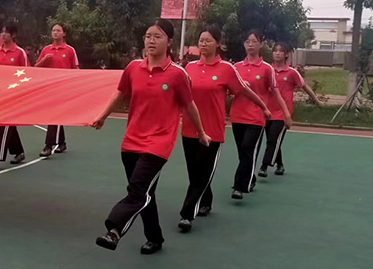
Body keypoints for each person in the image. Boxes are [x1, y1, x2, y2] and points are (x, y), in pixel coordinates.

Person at [91, 19, 211, 255]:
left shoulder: (177, 74)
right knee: (146, 193)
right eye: (147, 36)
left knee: (137, 190)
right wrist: (103, 116)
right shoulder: (133, 68)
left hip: (158, 143)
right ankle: (154, 238)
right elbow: (120, 93)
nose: (151, 40)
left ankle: (114, 231)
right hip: (131, 140)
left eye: (157, 36)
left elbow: (190, 107)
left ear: (169, 42)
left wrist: (201, 133)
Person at [178, 26, 271, 232]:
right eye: (201, 40)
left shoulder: (226, 70)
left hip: (213, 131)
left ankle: (187, 214)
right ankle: (206, 200)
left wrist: (263, 106)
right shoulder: (189, 68)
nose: (203, 44)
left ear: (217, 44)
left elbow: (244, 90)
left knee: (203, 172)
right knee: (195, 172)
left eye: (208, 40)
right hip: (189, 129)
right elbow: (179, 95)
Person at [228, 30, 291, 200]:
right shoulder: (236, 67)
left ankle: (239, 186)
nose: (250, 44)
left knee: (248, 148)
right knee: (243, 152)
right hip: (237, 115)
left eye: (254, 41)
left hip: (256, 117)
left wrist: (286, 114)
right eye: (248, 41)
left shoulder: (266, 69)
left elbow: (276, 93)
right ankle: (251, 177)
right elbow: (230, 90)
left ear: (261, 44)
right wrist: (238, 87)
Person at [258, 43, 322, 178]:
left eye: (281, 51)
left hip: (283, 114)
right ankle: (280, 164)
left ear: (286, 54)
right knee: (272, 140)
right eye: (275, 51)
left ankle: (264, 166)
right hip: (267, 112)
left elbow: (305, 87)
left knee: (273, 140)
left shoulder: (292, 73)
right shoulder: (268, 69)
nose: (277, 53)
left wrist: (316, 101)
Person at [0, 22, 29, 171]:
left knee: (1, 126)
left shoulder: (20, 52)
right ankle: (19, 151)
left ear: (13, 35)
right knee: (8, 125)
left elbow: (27, 74)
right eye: (2, 32)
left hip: (13, 96)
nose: (3, 35)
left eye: (6, 32)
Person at [35, 23, 79, 157]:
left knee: (55, 115)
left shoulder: (70, 50)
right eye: (53, 30)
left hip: (64, 88)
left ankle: (49, 145)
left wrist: (75, 87)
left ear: (63, 33)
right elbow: (35, 67)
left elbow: (76, 70)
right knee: (54, 116)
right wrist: (44, 60)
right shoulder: (46, 50)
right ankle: (62, 143)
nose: (55, 33)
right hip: (49, 88)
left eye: (58, 30)